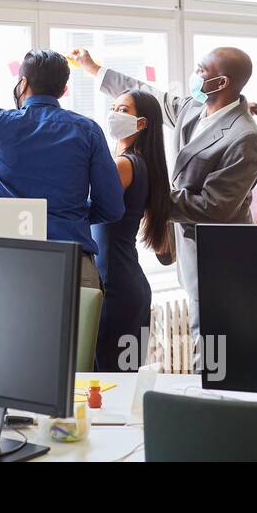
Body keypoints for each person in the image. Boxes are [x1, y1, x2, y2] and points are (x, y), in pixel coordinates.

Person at [72, 46, 257, 342]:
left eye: (202, 70)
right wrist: (95, 69)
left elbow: (216, 206)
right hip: (190, 249)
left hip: (221, 256)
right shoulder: (194, 109)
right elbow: (146, 95)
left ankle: (213, 387)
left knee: (215, 338)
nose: (195, 75)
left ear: (222, 82)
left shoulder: (244, 136)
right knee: (206, 332)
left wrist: (149, 196)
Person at [0, 25, 124, 288]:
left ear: (23, 83)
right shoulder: (87, 131)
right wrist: (69, 213)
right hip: (74, 265)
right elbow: (112, 207)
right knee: (78, 330)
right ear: (63, 91)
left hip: (14, 268)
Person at [92, 90, 171, 371]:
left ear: (141, 123)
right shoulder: (141, 163)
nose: (114, 114)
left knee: (109, 384)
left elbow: (86, 208)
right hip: (127, 285)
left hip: (115, 286)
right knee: (121, 381)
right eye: (113, 107)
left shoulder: (124, 164)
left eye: (123, 109)